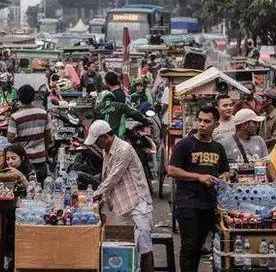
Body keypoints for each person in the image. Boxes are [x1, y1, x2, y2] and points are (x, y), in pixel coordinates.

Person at [84, 120, 154, 272]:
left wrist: (95, 194)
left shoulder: (124, 149)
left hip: (137, 202)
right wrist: (102, 199)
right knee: (123, 247)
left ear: (105, 137)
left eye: (97, 141)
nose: (96, 144)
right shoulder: (106, 150)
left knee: (144, 248)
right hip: (121, 204)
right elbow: (106, 176)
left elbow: (113, 177)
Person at [168, 105, 230, 272]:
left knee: (200, 245)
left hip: (209, 203)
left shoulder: (218, 147)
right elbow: (172, 170)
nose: (202, 124)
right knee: (189, 245)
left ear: (216, 124)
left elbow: (225, 169)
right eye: (200, 120)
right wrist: (198, 177)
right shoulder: (184, 145)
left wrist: (223, 178)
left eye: (207, 121)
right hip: (187, 202)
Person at [8, 85, 51, 182]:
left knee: (24, 189)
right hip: (40, 159)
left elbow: (10, 138)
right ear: (33, 97)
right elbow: (47, 136)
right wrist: (45, 151)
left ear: (19, 98)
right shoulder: (44, 113)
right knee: (41, 189)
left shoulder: (15, 117)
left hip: (24, 161)